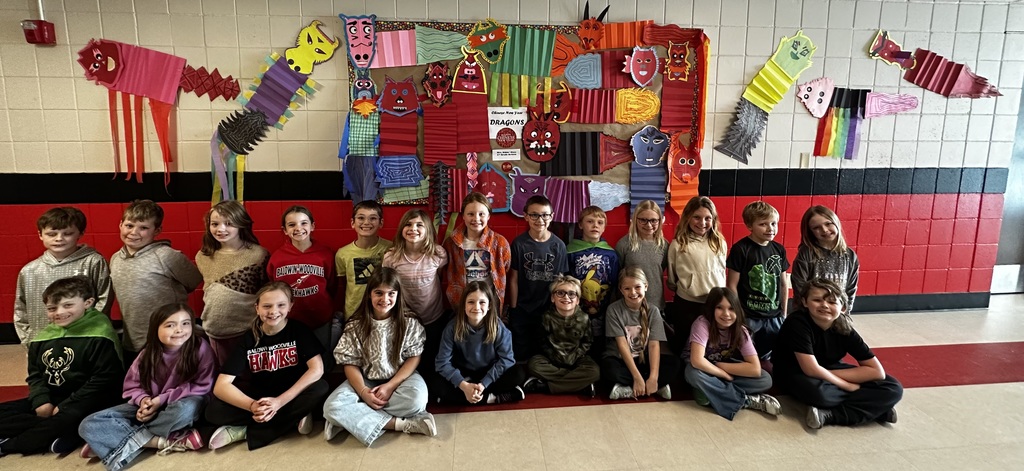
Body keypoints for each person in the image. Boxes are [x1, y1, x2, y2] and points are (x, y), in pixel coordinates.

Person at [78, 303, 215, 468]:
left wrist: (160, 400)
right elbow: (132, 386)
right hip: (150, 406)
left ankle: (119, 438)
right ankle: (158, 441)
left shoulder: (201, 348)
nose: (179, 330)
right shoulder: (147, 353)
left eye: (185, 323)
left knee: (184, 410)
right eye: (170, 325)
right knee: (88, 424)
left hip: (181, 403)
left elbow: (202, 386)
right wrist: (143, 401)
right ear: (155, 329)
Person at [0, 276, 123, 456]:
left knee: (68, 418)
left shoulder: (101, 334)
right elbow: (35, 375)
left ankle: (9, 445)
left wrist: (66, 405)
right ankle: (66, 434)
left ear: (88, 303)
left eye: (68, 305)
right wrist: (41, 401)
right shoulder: (42, 337)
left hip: (89, 399)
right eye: (52, 308)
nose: (59, 312)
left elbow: (104, 379)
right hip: (54, 396)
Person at [205, 282, 328, 450]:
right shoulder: (249, 338)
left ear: (290, 306)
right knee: (212, 411)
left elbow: (317, 369)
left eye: (281, 305)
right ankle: (292, 419)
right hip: (261, 397)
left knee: (320, 387)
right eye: (267, 306)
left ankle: (245, 432)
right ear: (257, 308)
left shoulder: (299, 330)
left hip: (292, 395)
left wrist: (279, 402)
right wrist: (252, 406)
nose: (273, 311)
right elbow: (221, 386)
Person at [322, 268, 436, 445]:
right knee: (331, 406)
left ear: (398, 295)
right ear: (369, 294)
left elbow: (414, 357)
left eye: (391, 293)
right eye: (379, 293)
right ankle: (401, 424)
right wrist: (363, 392)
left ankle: (348, 420)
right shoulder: (356, 325)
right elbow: (349, 363)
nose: (385, 299)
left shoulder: (409, 322)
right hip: (366, 380)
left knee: (416, 401)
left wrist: (390, 386)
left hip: (401, 379)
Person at [774, 279, 903, 429]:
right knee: (820, 394)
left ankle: (831, 415)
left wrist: (834, 378)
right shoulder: (797, 323)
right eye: (817, 300)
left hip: (829, 370)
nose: (824, 305)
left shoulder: (844, 327)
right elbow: (810, 369)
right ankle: (875, 409)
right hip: (797, 372)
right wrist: (847, 385)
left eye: (832, 302)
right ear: (805, 302)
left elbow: (876, 371)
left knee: (893, 388)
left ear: (842, 307)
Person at [110, 200, 203, 366]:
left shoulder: (167, 256)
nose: (134, 232)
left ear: (157, 230)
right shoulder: (116, 258)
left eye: (143, 228)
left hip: (170, 341)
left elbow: (194, 281)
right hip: (133, 340)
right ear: (120, 225)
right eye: (129, 225)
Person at [14, 206, 112, 346]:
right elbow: (20, 310)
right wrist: (28, 340)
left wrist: (90, 331)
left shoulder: (93, 262)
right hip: (41, 340)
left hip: (83, 340)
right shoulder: (29, 270)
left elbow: (104, 299)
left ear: (80, 233)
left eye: (68, 233)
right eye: (51, 234)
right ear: (40, 234)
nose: (59, 239)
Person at [684, 288, 780, 420]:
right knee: (693, 374)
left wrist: (721, 367)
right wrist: (724, 375)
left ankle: (710, 391)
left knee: (765, 380)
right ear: (711, 309)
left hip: (722, 365)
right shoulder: (702, 324)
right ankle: (746, 401)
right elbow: (697, 361)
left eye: (731, 308)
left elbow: (755, 369)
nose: (726, 314)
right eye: (719, 308)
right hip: (702, 369)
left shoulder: (740, 330)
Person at [195, 200, 269, 367]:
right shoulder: (203, 255)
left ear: (241, 224)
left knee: (250, 373)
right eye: (215, 224)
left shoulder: (258, 255)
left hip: (248, 330)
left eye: (229, 224)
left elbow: (265, 292)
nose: (221, 229)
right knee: (223, 372)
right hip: (216, 330)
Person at [433, 281, 526, 405]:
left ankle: (466, 396)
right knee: (435, 383)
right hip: (463, 374)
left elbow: (507, 360)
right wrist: (463, 385)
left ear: (489, 306)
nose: (476, 307)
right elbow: (442, 363)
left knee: (518, 374)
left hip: (488, 373)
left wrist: (483, 384)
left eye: (482, 302)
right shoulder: (451, 328)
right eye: (471, 302)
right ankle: (491, 398)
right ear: (464, 305)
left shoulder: (498, 327)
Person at [267, 205, 338, 363]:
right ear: (285, 230)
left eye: (304, 223)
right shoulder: (277, 258)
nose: (298, 228)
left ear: (312, 226)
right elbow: (273, 288)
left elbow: (332, 286)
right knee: (294, 361)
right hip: (290, 321)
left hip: (320, 318)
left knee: (322, 359)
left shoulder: (325, 254)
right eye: (292, 225)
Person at [382, 209, 448, 378]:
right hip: (405, 318)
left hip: (433, 317)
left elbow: (440, 277)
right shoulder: (391, 256)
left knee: (431, 360)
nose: (413, 229)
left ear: (428, 229)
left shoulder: (438, 254)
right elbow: (389, 286)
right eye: (408, 224)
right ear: (401, 229)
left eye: (419, 225)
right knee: (408, 360)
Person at [602, 267, 679, 400]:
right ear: (621, 290)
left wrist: (653, 377)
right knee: (608, 368)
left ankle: (643, 385)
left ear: (646, 286)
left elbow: (654, 345)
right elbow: (622, 345)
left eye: (637, 287)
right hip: (623, 359)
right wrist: (637, 377)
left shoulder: (653, 311)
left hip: (645, 359)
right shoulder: (613, 310)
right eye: (627, 288)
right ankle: (647, 386)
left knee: (675, 364)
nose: (633, 292)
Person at [726, 201, 790, 360]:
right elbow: (732, 285)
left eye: (774, 223)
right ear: (750, 226)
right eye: (763, 224)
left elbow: (783, 284)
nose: (770, 228)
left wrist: (783, 312)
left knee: (773, 353)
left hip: (774, 315)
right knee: (745, 354)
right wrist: (738, 314)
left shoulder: (779, 249)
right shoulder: (741, 249)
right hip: (749, 316)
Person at [508, 195, 568, 361]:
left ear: (552, 216)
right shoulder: (519, 244)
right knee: (521, 351)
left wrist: (558, 308)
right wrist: (514, 308)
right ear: (526, 216)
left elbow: (561, 281)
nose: (540, 220)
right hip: (522, 308)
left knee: (544, 351)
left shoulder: (559, 246)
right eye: (534, 215)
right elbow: (513, 279)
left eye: (544, 215)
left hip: (548, 308)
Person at [666, 196, 727, 353]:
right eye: (697, 217)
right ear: (688, 217)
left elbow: (721, 270)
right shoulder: (678, 244)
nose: (702, 223)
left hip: (713, 303)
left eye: (708, 218)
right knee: (684, 342)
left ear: (713, 219)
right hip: (687, 303)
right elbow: (672, 275)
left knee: (710, 344)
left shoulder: (719, 242)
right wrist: (687, 286)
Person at [524, 275, 600, 397]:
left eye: (572, 294)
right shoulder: (546, 317)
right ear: (552, 298)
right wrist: (553, 356)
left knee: (594, 372)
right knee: (533, 365)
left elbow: (587, 342)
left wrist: (576, 355)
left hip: (576, 358)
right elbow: (541, 341)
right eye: (560, 293)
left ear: (578, 300)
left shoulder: (584, 318)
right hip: (552, 359)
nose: (566, 297)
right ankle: (580, 383)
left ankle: (546, 387)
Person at [443, 192, 512, 313]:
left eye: (481, 214)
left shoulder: (500, 243)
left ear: (488, 216)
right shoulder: (451, 243)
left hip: (489, 301)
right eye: (470, 214)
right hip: (462, 301)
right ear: (463, 216)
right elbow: (447, 269)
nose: (476, 219)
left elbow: (505, 268)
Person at [566, 205, 619, 356]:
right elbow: (566, 279)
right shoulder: (570, 251)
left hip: (603, 308)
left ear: (604, 227)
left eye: (600, 222)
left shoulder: (611, 254)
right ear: (580, 225)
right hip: (576, 308)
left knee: (599, 345)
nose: (595, 225)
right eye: (590, 221)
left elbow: (615, 283)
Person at [792, 205, 859, 312]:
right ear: (810, 232)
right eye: (816, 228)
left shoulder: (850, 255)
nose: (824, 230)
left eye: (828, 224)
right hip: (811, 313)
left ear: (836, 222)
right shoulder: (806, 253)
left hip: (837, 312)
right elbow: (799, 286)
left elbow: (851, 288)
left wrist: (846, 311)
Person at [336, 200, 391, 320]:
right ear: (352, 223)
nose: (366, 222)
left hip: (383, 313)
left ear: (381, 223)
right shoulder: (342, 254)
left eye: (373, 218)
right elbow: (342, 286)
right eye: (361, 218)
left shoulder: (391, 249)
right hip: (354, 313)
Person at [615, 200, 668, 312]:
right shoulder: (624, 244)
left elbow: (660, 269)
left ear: (660, 221)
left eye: (653, 220)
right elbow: (617, 275)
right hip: (629, 304)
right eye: (643, 220)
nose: (648, 225)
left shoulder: (664, 245)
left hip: (655, 304)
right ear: (635, 219)